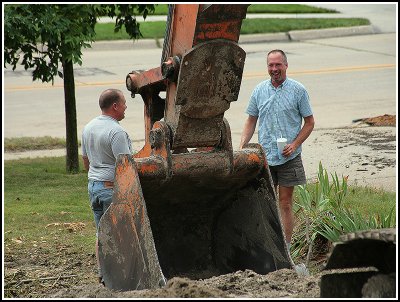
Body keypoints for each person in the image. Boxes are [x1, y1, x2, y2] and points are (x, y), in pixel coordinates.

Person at [239, 49, 315, 266]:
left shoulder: (298, 91)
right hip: (265, 157)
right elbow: (251, 120)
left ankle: (287, 250)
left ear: (286, 66)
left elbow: (309, 122)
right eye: (271, 65)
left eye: (278, 65)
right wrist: (243, 145)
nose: (274, 69)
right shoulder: (259, 90)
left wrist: (295, 144)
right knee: (263, 203)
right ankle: (264, 247)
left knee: (285, 203)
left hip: (289, 157)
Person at [81, 88, 133, 285]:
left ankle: (103, 275)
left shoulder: (88, 127)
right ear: (115, 106)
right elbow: (125, 166)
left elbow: (86, 162)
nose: (126, 106)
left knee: (101, 233)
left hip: (93, 187)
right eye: (124, 103)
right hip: (110, 189)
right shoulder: (116, 132)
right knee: (121, 234)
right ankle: (120, 276)